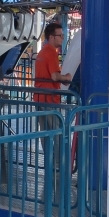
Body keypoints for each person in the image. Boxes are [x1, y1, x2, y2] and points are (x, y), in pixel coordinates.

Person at [34, 22, 72, 168]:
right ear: (51, 37)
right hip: (50, 99)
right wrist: (67, 77)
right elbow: (55, 77)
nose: (63, 38)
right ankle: (59, 164)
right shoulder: (51, 53)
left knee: (45, 134)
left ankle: (50, 163)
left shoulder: (42, 52)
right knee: (58, 132)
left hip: (39, 98)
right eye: (60, 35)